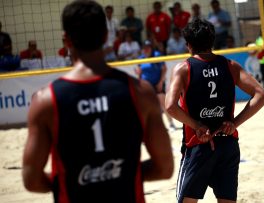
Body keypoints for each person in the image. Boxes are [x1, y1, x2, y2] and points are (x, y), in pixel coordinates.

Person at [22, 1, 174, 203]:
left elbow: (31, 180)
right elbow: (164, 168)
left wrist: (73, 181)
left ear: (66, 39)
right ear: (105, 36)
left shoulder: (45, 101)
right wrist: (125, 174)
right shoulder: (140, 92)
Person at [165, 19, 264, 203]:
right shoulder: (230, 66)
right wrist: (234, 123)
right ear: (212, 41)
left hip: (198, 144)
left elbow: (170, 107)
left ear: (188, 45)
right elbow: (261, 95)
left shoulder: (183, 69)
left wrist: (197, 125)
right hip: (227, 143)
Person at [135, 40, 177, 132]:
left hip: (157, 84)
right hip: (146, 86)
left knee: (164, 104)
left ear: (151, 48)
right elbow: (139, 73)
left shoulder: (157, 55)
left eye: (148, 47)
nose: (146, 50)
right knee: (146, 107)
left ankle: (171, 123)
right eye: (144, 48)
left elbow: (164, 69)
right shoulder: (141, 58)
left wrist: (161, 82)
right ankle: (148, 127)